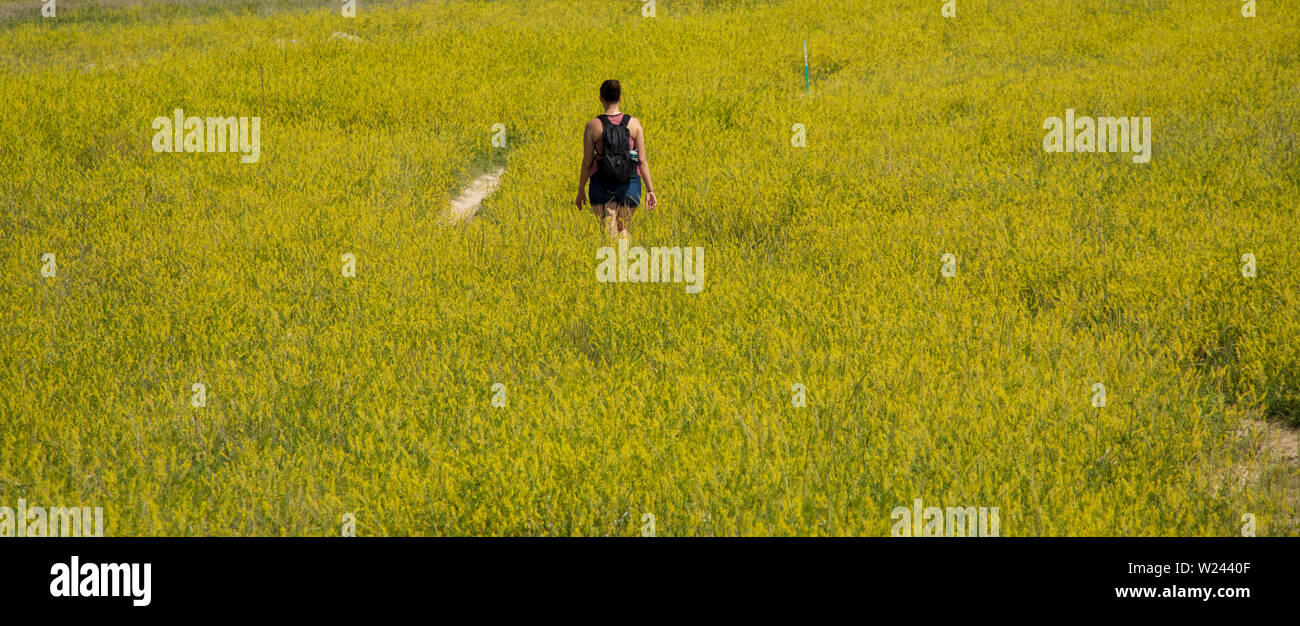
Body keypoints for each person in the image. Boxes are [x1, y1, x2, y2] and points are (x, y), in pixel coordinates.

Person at [575, 79, 658, 239]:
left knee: (608, 228)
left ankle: (612, 262)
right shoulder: (634, 124)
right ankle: (624, 262)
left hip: (601, 182)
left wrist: (580, 190)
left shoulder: (593, 126)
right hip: (630, 183)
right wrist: (650, 190)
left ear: (601, 98)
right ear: (620, 97)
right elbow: (642, 161)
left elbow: (587, 163)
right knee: (624, 228)